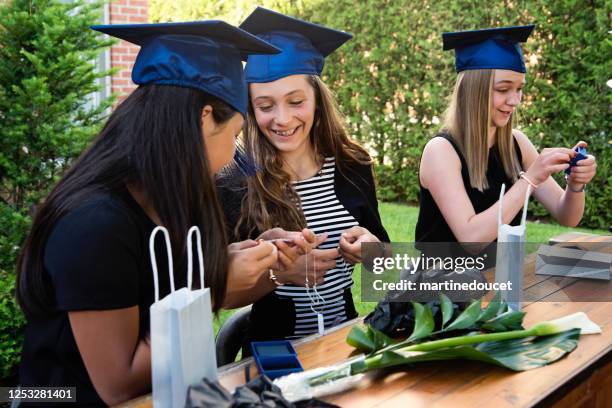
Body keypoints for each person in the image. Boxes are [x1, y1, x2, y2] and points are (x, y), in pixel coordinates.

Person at [14, 21, 307, 407]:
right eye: (234, 135)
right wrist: (210, 292)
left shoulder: (166, 200)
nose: (232, 157)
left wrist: (250, 262)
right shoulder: (94, 224)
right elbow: (118, 384)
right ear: (204, 119)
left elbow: (165, 292)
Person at [219, 7, 390, 344]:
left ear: (316, 99)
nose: (282, 119)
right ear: (251, 110)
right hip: (273, 353)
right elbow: (221, 293)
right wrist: (279, 274)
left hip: (345, 342)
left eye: (295, 101)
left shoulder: (352, 166)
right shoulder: (237, 181)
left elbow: (382, 263)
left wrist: (370, 251)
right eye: (266, 106)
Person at [416, 25, 597, 245]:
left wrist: (576, 184)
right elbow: (471, 239)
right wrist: (531, 178)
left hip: (501, 274)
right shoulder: (441, 150)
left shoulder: (516, 143)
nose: (515, 101)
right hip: (445, 277)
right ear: (474, 91)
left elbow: (567, 215)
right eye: (503, 89)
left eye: (519, 89)